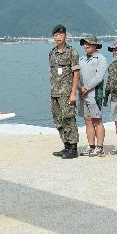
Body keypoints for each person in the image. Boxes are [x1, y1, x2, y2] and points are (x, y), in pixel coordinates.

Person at [50, 24, 81, 159]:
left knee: (69, 119)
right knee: (59, 120)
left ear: (65, 36)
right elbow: (52, 73)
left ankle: (73, 148)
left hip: (67, 92)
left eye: (60, 35)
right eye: (56, 35)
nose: (58, 37)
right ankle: (66, 145)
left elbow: (76, 74)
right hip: (54, 93)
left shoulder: (72, 52)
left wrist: (73, 93)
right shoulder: (52, 53)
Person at [78, 35, 108, 156]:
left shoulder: (101, 59)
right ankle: (91, 146)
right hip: (82, 93)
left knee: (97, 120)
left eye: (89, 43)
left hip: (95, 93)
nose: (86, 45)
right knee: (87, 120)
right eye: (84, 43)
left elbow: (99, 77)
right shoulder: (81, 59)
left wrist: (87, 88)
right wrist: (80, 88)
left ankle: (100, 148)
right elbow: (76, 75)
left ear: (95, 45)